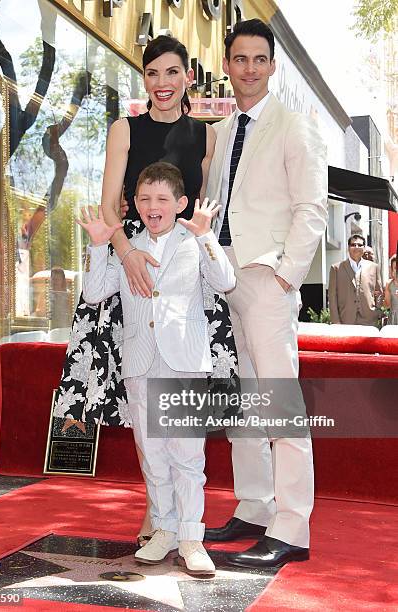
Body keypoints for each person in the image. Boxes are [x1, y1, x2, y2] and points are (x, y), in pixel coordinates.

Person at [55, 35, 238, 545]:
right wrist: (125, 251)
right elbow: (110, 202)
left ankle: (182, 524)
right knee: (135, 394)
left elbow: (207, 208)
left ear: (187, 77)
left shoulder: (207, 136)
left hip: (184, 274)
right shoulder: (124, 128)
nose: (162, 83)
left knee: (183, 404)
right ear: (145, 79)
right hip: (126, 262)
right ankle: (156, 513)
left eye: (172, 72)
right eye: (153, 73)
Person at [203, 19, 328, 569]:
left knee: (279, 403)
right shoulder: (226, 132)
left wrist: (286, 275)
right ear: (227, 66)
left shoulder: (293, 126)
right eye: (239, 59)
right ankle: (254, 506)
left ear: (272, 66)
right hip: (226, 278)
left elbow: (312, 207)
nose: (249, 68)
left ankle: (292, 525)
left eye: (259, 59)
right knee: (245, 405)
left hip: (267, 279)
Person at [78, 162, 236, 576]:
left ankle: (191, 538)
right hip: (141, 360)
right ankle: (163, 529)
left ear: (180, 203)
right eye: (145, 199)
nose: (153, 206)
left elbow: (225, 281)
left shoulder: (194, 240)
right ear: (135, 205)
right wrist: (99, 246)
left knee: (186, 455)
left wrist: (206, 237)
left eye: (162, 199)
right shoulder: (126, 246)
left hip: (184, 359)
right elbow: (94, 293)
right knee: (152, 454)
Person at [328, 234, 383, 326]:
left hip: (369, 319)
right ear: (348, 248)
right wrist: (336, 321)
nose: (356, 247)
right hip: (345, 319)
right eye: (353, 245)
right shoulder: (336, 268)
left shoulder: (374, 267)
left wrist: (376, 311)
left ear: (364, 248)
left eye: (360, 245)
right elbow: (332, 297)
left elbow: (379, 292)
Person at [384, 254, 398, 325]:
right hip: (394, 319)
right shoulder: (389, 284)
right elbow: (387, 305)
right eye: (396, 268)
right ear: (392, 269)